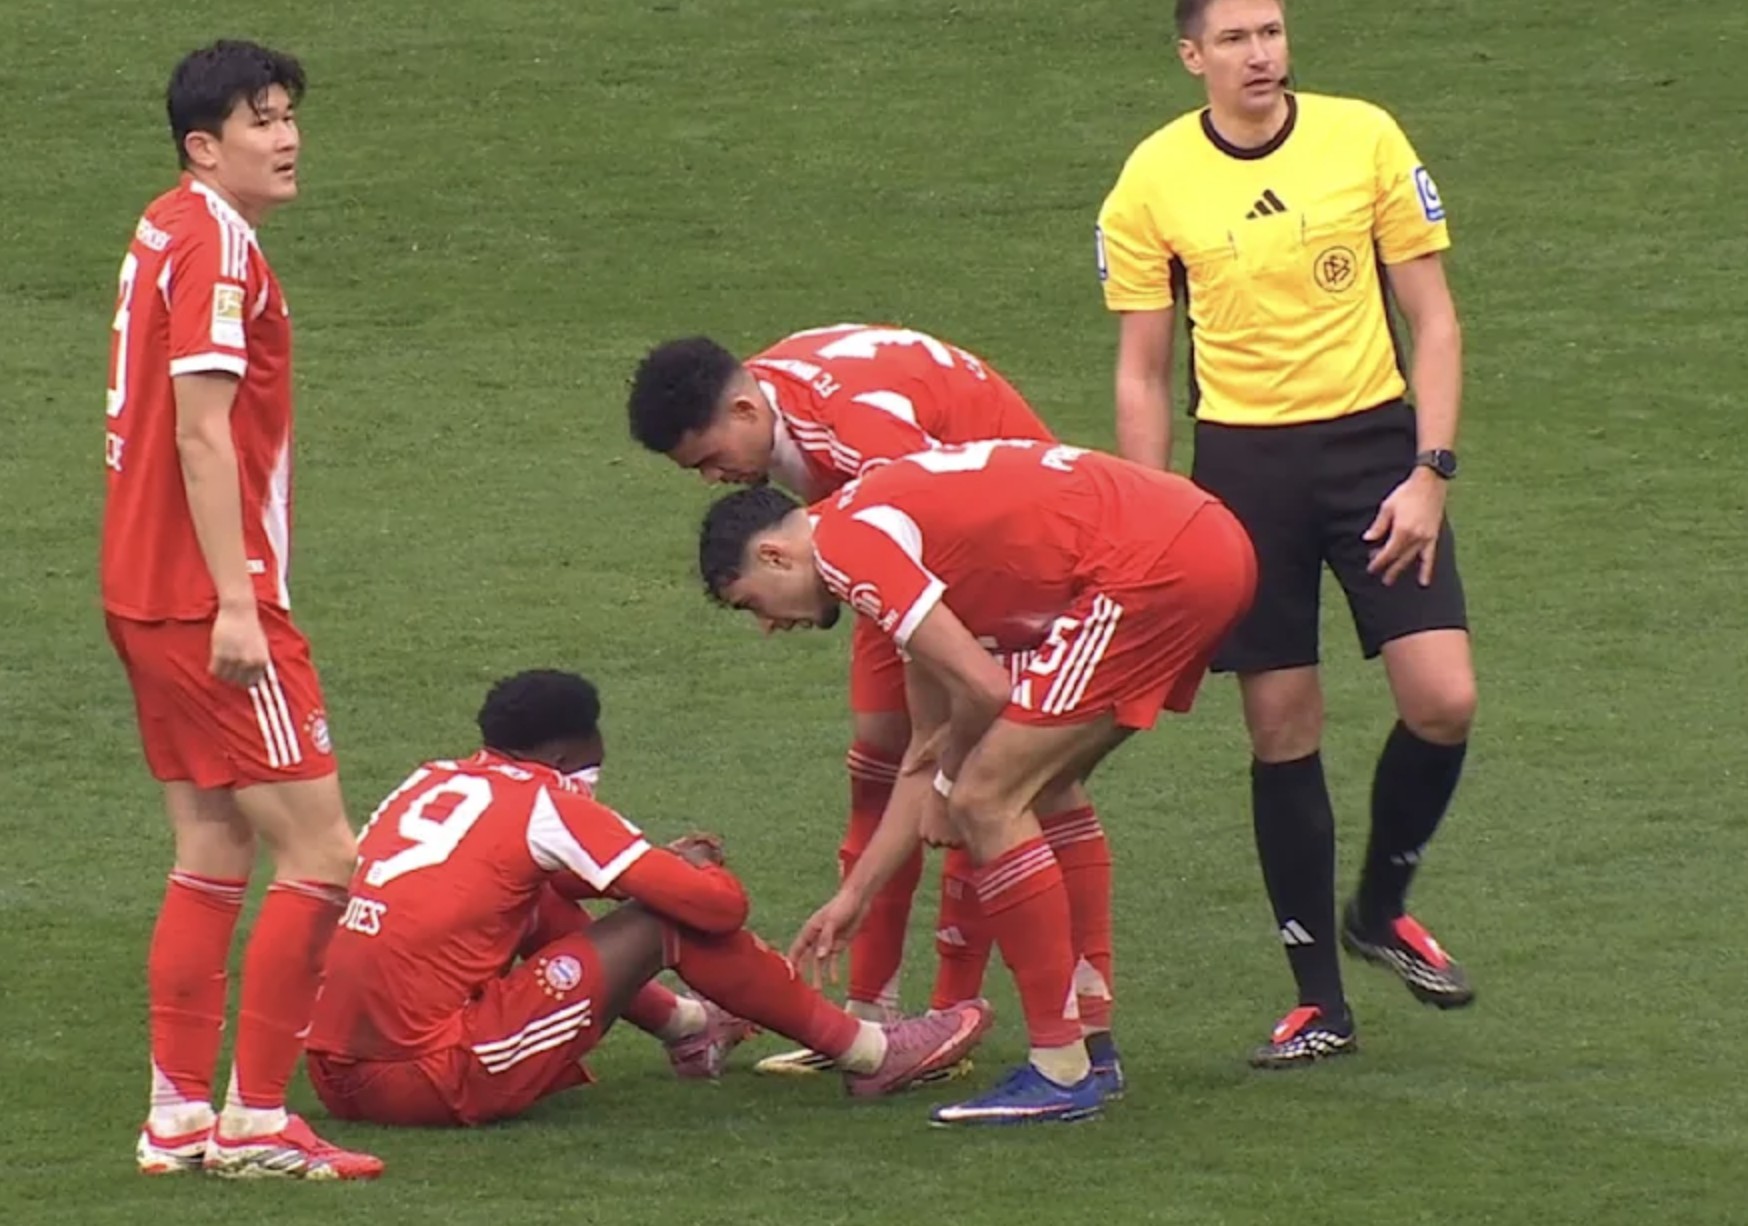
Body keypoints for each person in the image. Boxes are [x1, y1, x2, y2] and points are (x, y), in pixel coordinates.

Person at [1093, 0, 1479, 1068]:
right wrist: (1155, 510)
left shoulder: (1364, 136)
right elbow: (1142, 370)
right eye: (1233, 38)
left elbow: (1433, 319)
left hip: (1373, 453)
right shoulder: (1152, 179)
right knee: (1280, 726)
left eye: (1270, 31)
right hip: (1243, 473)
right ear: (1191, 56)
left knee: (1443, 699)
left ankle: (1379, 908)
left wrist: (1430, 471)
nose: (1259, 53)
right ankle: (1320, 1003)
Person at [697, 438, 1256, 1124]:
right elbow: (924, 751)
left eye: (752, 602)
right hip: (1200, 541)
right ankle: (1091, 1046)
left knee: (986, 799)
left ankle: (1059, 1068)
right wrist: (855, 896)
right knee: (1044, 789)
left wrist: (949, 785)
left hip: (1155, 564)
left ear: (775, 555)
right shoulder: (874, 535)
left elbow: (984, 692)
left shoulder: (846, 550)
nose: (767, 625)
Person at [627, 325, 1122, 1087]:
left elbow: (936, 533)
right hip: (895, 550)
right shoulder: (778, 404)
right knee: (880, 763)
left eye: (708, 458)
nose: (712, 478)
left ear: (745, 409)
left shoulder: (861, 433)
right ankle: (873, 1016)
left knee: (992, 779)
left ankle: (968, 1018)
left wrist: (945, 729)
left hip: (1012, 558)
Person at [101, 40, 380, 1179]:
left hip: (139, 588)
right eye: (261, 120)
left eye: (288, 114)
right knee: (323, 854)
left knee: (212, 845)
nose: (288, 136)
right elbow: (203, 431)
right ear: (202, 146)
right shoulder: (216, 245)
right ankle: (257, 1120)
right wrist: (236, 603)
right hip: (206, 597)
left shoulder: (166, 224)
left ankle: (176, 1116)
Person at [304, 670, 993, 1126]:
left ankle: (691, 1028)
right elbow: (717, 911)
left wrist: (657, 867)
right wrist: (699, 871)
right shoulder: (548, 802)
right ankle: (869, 1054)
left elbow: (520, 880)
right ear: (568, 750)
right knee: (668, 923)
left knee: (536, 903)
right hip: (429, 1076)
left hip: (334, 1076)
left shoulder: (428, 781)